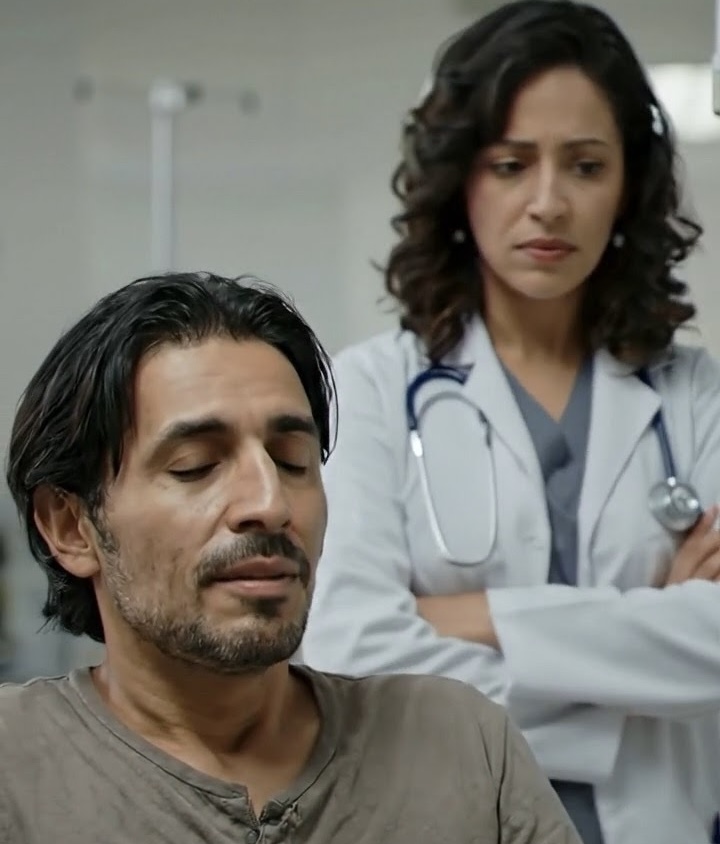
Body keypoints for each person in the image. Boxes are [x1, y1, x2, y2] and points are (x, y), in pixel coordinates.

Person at [298, 2, 720, 843]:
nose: (548, 203)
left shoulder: (695, 395)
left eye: (586, 166)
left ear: (628, 187)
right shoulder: (372, 389)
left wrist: (467, 614)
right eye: (510, 164)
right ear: (462, 180)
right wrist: (636, 662)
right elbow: (350, 651)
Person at [0, 272, 579, 844]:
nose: (271, 504)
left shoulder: (460, 745)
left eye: (292, 460)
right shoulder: (18, 769)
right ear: (71, 527)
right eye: (196, 466)